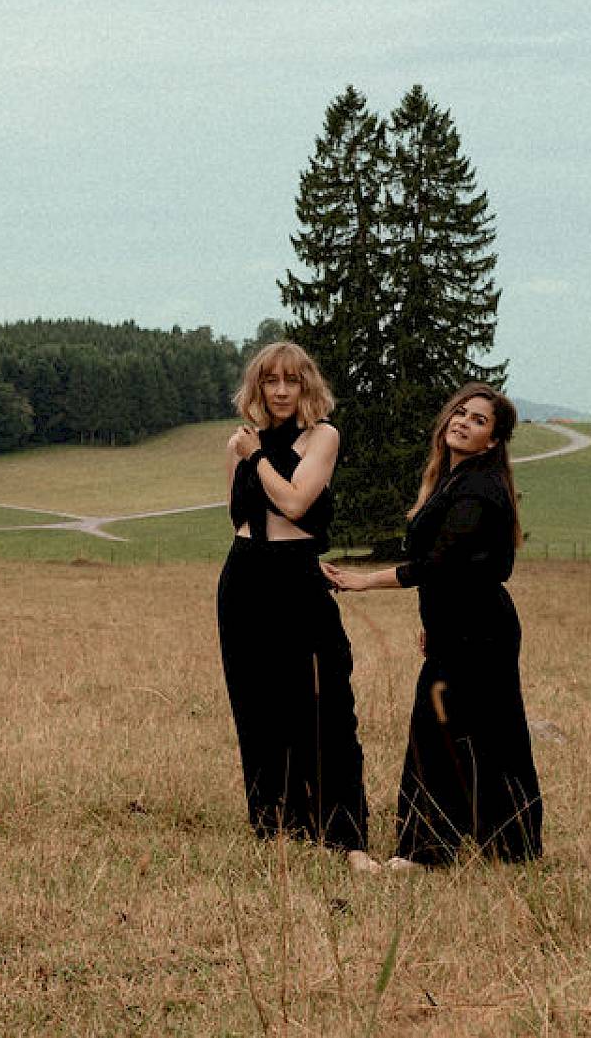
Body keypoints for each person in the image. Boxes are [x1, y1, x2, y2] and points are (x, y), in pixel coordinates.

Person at [325, 382, 542, 868]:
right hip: (462, 626)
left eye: (479, 420)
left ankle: (427, 852)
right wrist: (435, 621)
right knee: (480, 732)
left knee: (443, 731)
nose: (463, 422)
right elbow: (459, 572)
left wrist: (364, 581)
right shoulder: (454, 480)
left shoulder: (477, 490)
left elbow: (442, 564)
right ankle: (508, 845)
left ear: (492, 441)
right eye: (460, 412)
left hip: (479, 632)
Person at [216, 341, 376, 871]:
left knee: (322, 698)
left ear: (307, 385)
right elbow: (237, 513)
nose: (281, 391)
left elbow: (294, 501)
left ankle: (342, 831)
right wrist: (248, 453)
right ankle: (276, 823)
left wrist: (256, 458)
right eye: (270, 381)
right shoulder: (242, 440)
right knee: (255, 701)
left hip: (295, 575)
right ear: (257, 387)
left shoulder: (321, 436)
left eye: (291, 380)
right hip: (244, 575)